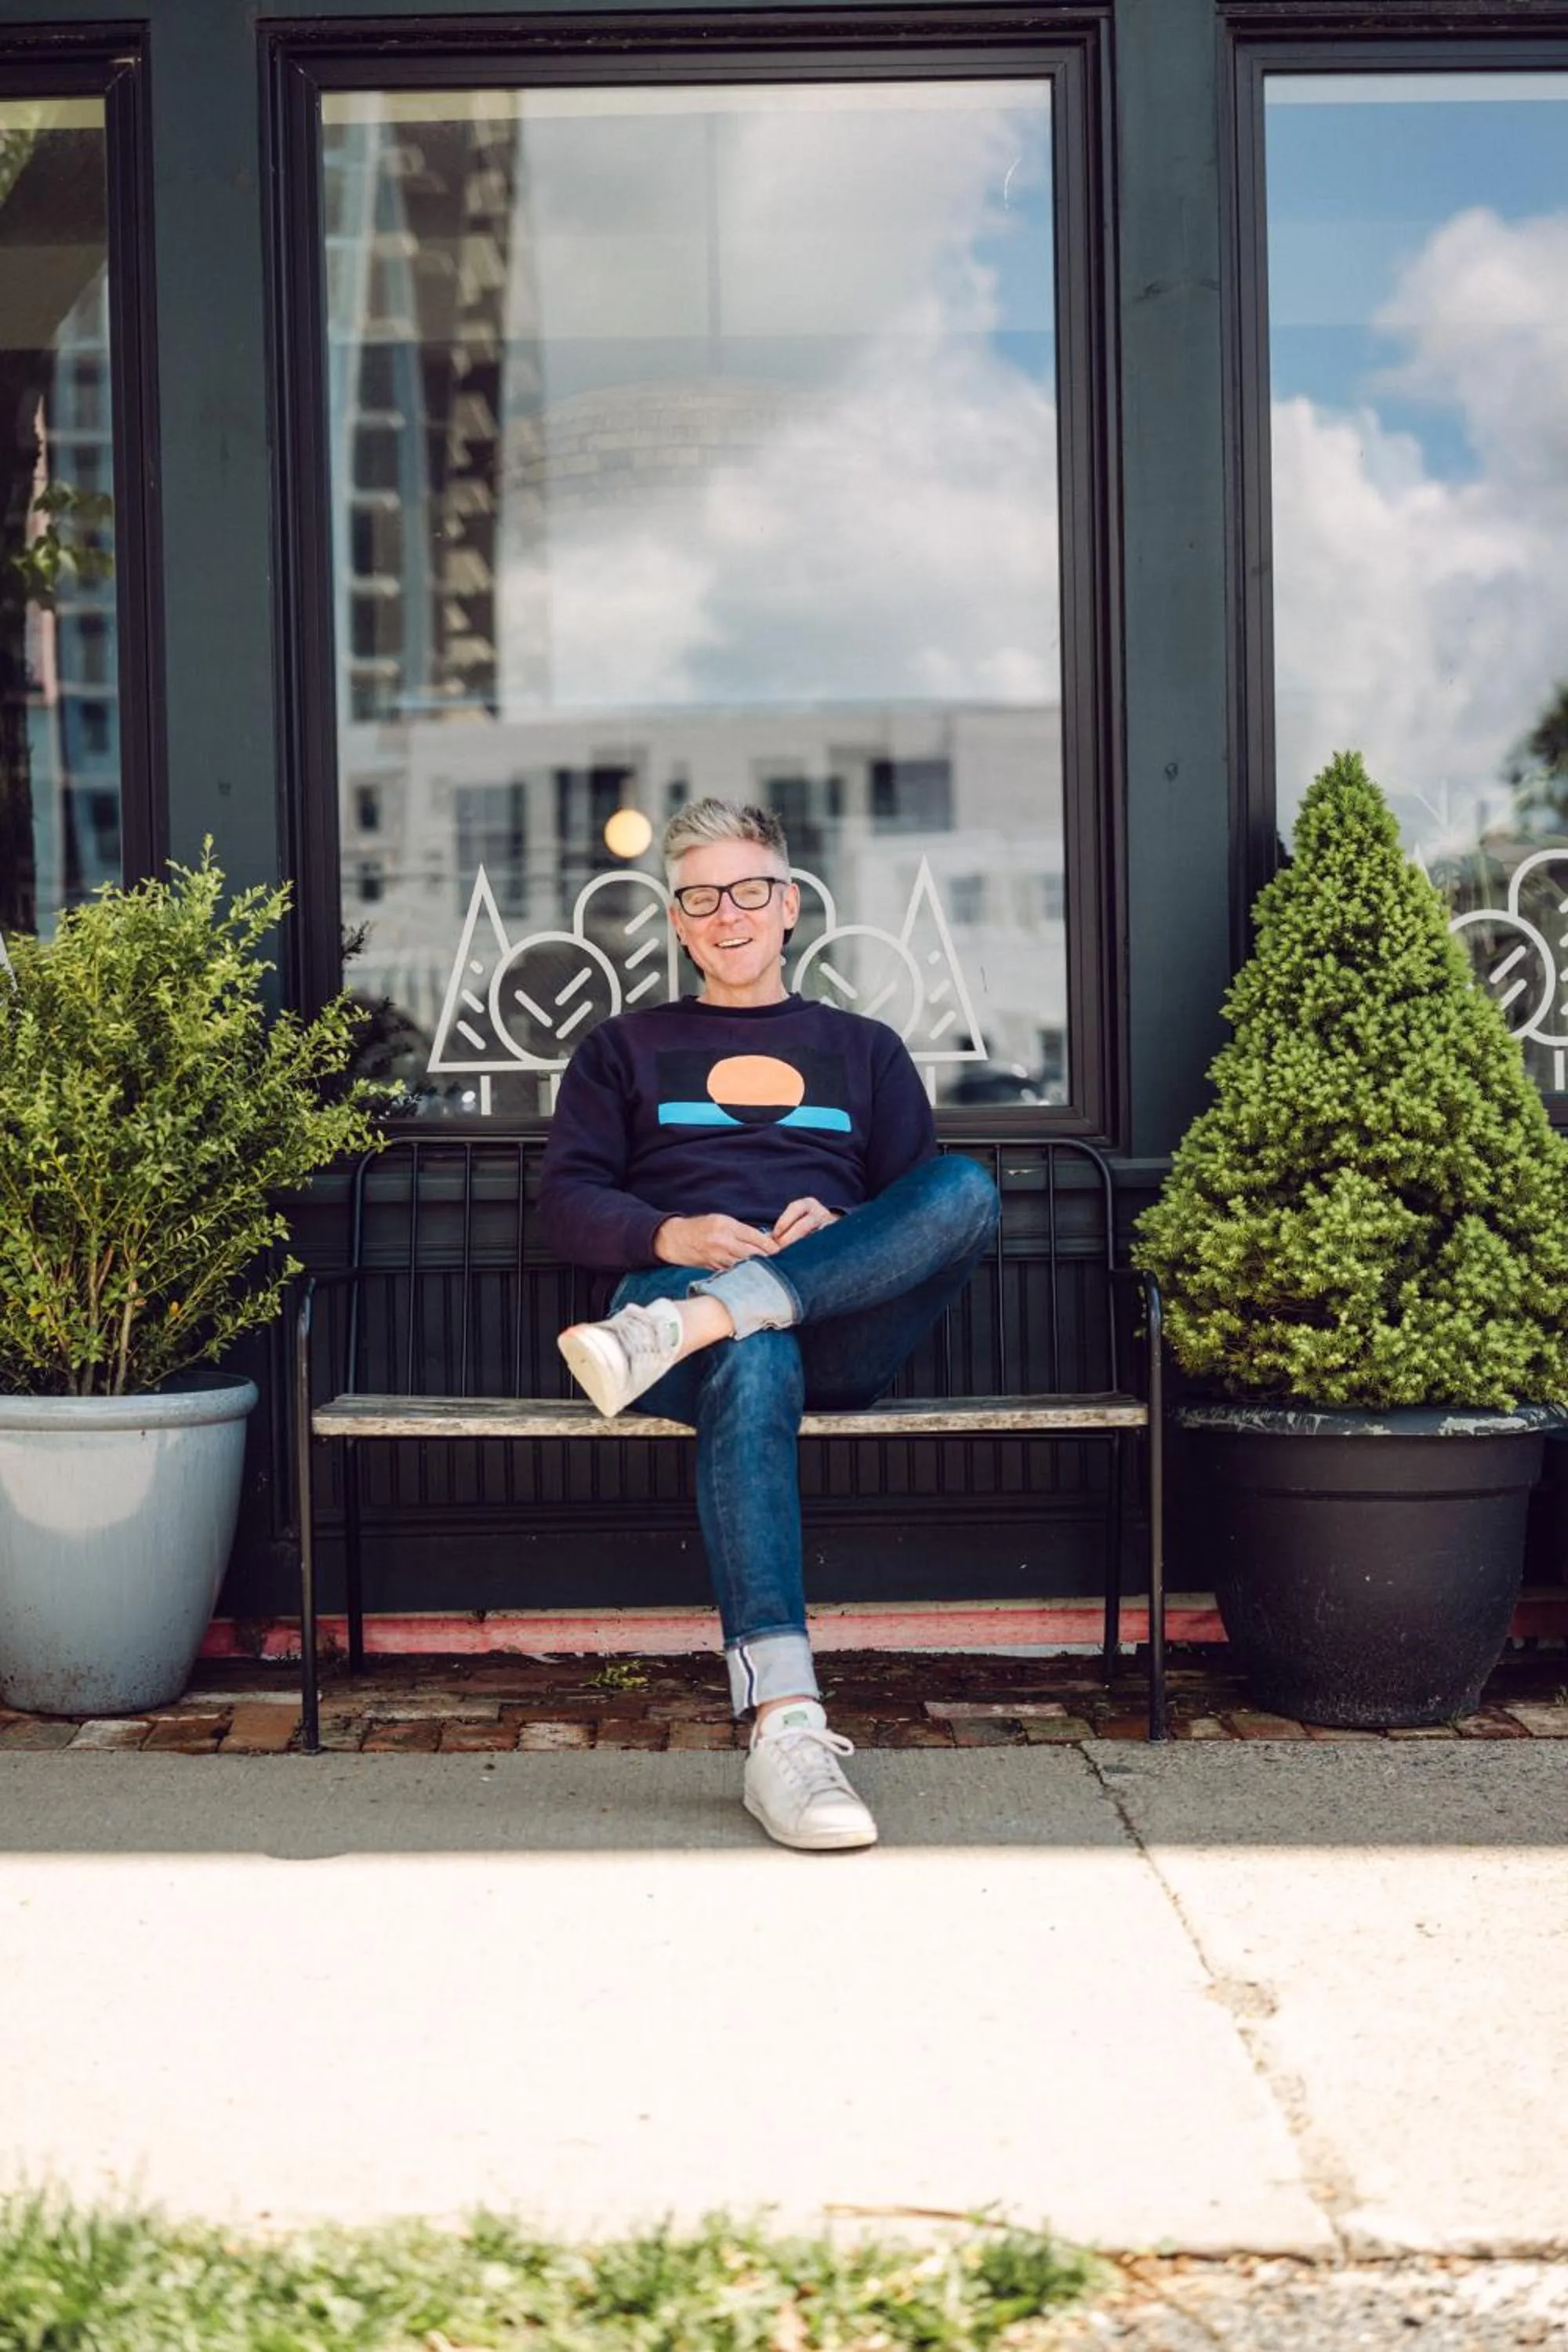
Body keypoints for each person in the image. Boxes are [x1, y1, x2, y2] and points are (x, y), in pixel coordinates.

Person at [539, 800, 1000, 1851]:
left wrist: (834, 1231)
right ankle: (783, 1726)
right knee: (753, 1357)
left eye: (750, 890)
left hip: (820, 1323)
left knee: (964, 1186)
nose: (728, 914)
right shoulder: (624, 1050)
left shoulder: (865, 1051)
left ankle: (718, 1318)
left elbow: (915, 1213)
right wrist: (674, 1232)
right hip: (661, 1326)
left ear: (789, 905)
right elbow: (566, 1203)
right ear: (678, 920)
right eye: (703, 898)